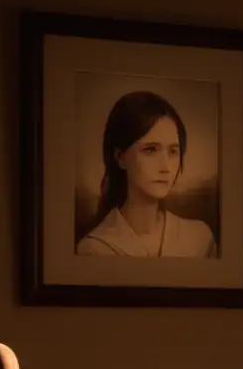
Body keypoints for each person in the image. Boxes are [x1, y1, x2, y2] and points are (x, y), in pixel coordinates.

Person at [76, 90, 217, 257]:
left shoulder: (199, 239)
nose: (166, 167)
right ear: (120, 157)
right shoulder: (95, 248)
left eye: (173, 151)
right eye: (151, 150)